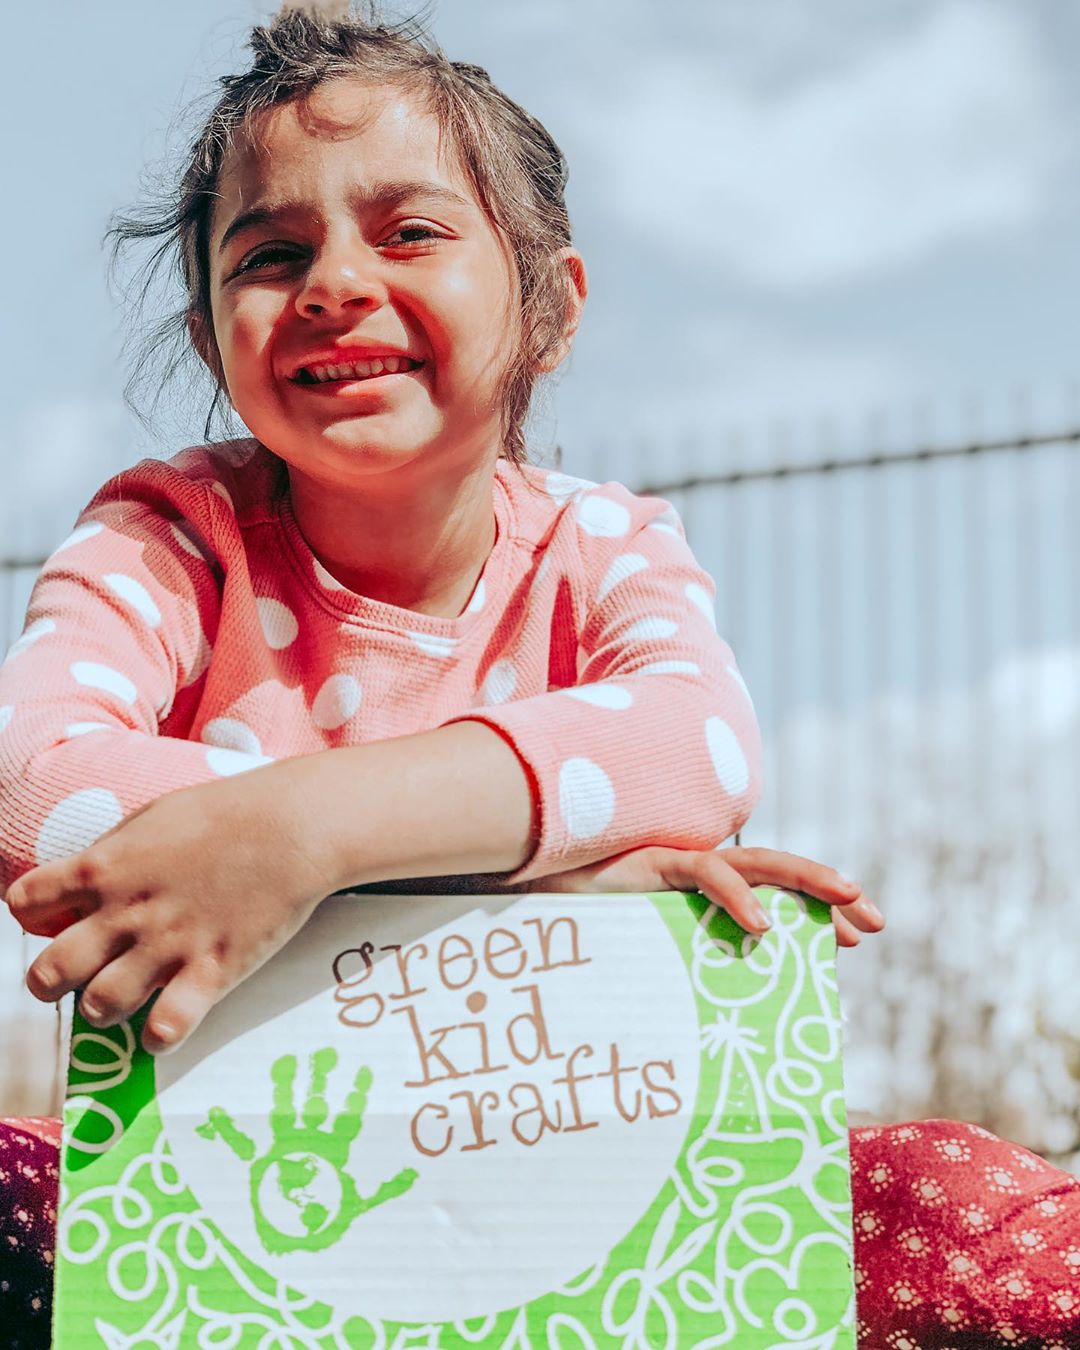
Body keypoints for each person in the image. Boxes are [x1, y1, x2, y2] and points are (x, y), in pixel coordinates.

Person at [0, 7, 1075, 1348]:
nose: (334, 278)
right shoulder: (168, 538)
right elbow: (36, 787)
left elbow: (698, 747)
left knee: (952, 1194)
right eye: (272, 252)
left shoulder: (605, 542)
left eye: (409, 232)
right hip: (211, 1181)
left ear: (552, 306)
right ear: (216, 337)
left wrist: (303, 835)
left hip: (595, 1177)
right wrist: (570, 864)